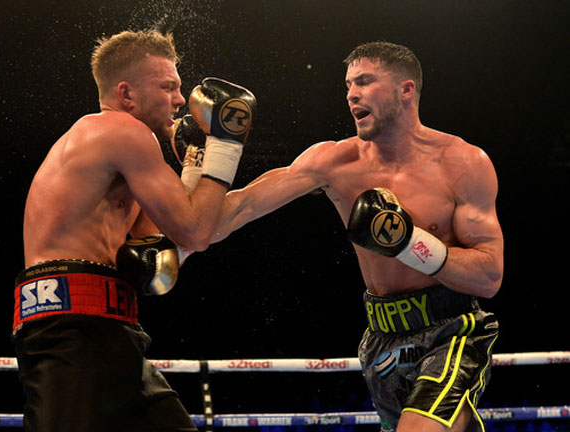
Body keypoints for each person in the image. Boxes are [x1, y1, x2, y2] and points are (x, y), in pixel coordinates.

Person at [213, 42, 503, 432]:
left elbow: (489, 277)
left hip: (452, 332)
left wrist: (409, 244)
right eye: (349, 84)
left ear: (406, 90)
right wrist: (205, 170)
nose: (351, 94)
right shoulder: (334, 161)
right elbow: (239, 209)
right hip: (380, 338)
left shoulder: (463, 163)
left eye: (365, 82)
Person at [12, 29, 256, 431]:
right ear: (126, 94)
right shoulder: (122, 131)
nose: (180, 100)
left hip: (110, 335)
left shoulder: (116, 153)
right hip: (71, 335)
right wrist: (226, 145)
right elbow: (195, 232)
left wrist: (194, 166)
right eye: (168, 87)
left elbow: (163, 243)